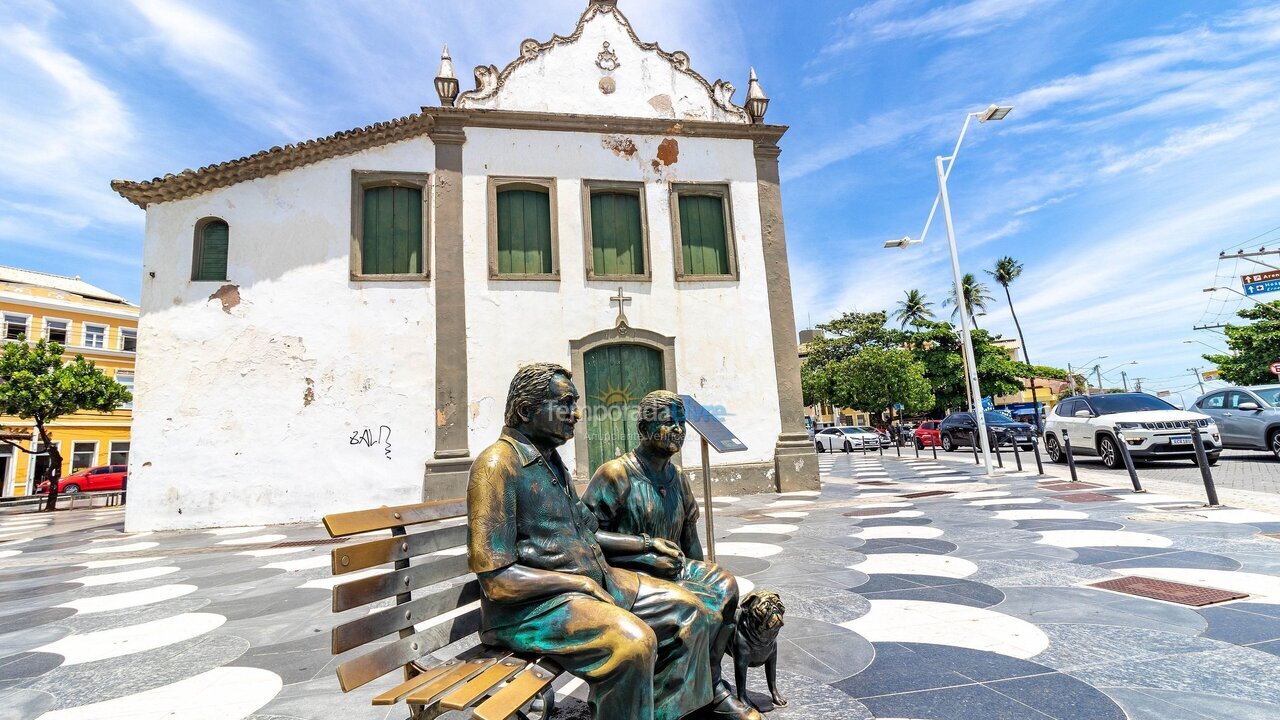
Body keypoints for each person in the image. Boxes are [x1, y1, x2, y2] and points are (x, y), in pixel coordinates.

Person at [467, 363, 715, 720]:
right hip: (532, 609)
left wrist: (646, 546)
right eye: (565, 404)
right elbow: (497, 581)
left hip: (595, 586)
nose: (576, 414)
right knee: (632, 643)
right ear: (525, 410)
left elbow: (589, 532)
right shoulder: (497, 465)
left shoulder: (550, 462)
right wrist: (577, 581)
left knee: (690, 611)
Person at [584, 391, 760, 720]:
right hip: (629, 576)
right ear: (644, 428)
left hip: (671, 572)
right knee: (694, 608)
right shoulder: (615, 474)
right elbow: (587, 535)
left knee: (725, 587)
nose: (678, 430)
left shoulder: (677, 477)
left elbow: (690, 539)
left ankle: (711, 686)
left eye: (681, 423)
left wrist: (706, 575)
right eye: (668, 422)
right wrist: (644, 546)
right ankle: (671, 706)